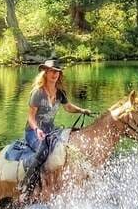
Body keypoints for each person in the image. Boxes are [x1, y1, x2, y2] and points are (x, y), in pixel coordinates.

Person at [20, 57, 92, 198]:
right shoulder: (38, 93)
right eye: (52, 71)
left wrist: (82, 110)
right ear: (45, 73)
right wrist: (37, 129)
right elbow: (30, 117)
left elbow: (68, 107)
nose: (55, 74)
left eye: (57, 72)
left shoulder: (60, 93)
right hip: (33, 132)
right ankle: (26, 185)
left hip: (51, 130)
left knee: (68, 145)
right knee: (44, 150)